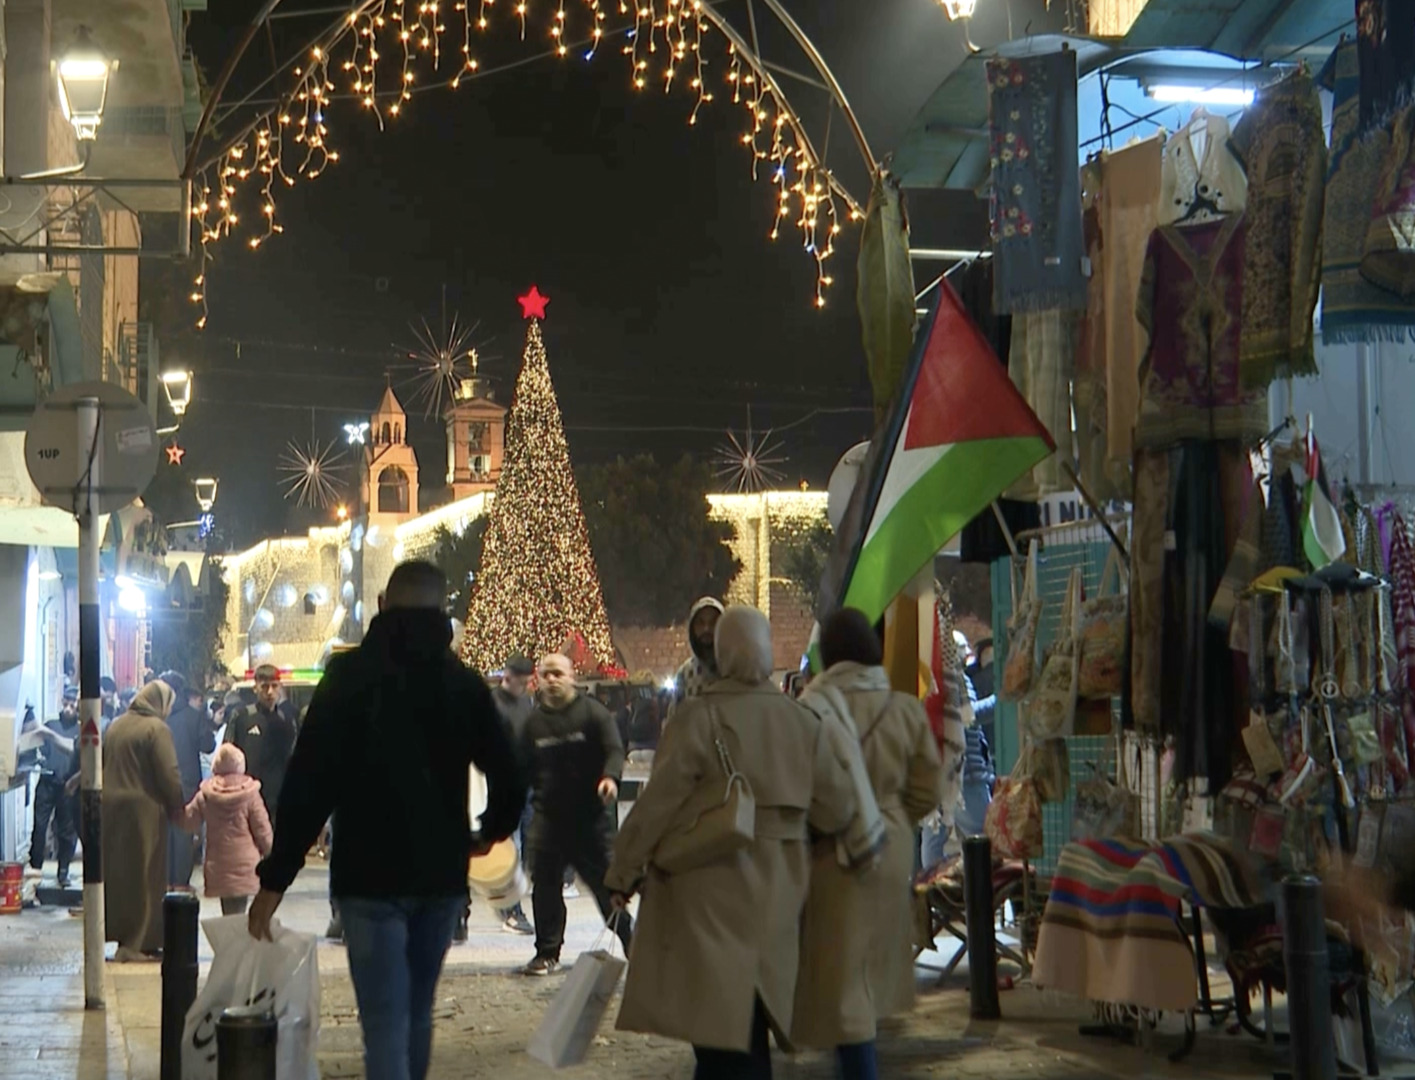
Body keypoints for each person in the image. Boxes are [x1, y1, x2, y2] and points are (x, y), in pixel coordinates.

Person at [249, 561, 524, 1080]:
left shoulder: (349, 678)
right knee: (418, 1014)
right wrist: (487, 833)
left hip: (368, 877)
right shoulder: (463, 685)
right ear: (442, 612)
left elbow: (309, 783)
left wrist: (276, 879)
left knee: (383, 1020)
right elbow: (509, 773)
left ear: (381, 605)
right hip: (440, 875)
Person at [605, 605, 859, 1077]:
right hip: (781, 894)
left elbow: (656, 806)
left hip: (708, 894)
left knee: (724, 1035)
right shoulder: (803, 722)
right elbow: (840, 810)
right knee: (755, 1024)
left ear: (719, 653)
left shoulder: (697, 719)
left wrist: (624, 871)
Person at [792, 609, 944, 1079]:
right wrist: (894, 817)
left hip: (832, 850)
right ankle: (859, 1059)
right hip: (892, 845)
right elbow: (928, 790)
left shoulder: (810, 707)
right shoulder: (903, 707)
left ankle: (858, 1066)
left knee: (842, 974)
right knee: (868, 966)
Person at [518, 652, 633, 975]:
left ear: (572, 677)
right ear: (538, 680)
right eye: (546, 674)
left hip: (590, 820)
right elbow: (521, 769)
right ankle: (547, 952)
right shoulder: (533, 724)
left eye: (558, 673)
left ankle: (632, 940)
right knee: (545, 885)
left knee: (607, 887)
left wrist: (610, 778)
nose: (552, 680)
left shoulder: (593, 714)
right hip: (548, 819)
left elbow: (614, 749)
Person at [104, 680, 186, 961]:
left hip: (111, 808)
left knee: (120, 876)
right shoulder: (157, 729)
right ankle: (139, 943)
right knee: (146, 876)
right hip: (144, 810)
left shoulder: (115, 725)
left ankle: (124, 938)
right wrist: (178, 804)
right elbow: (169, 772)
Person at [181, 743, 272, 916]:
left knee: (228, 913)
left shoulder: (206, 794)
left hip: (218, 864)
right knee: (239, 912)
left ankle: (230, 938)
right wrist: (271, 854)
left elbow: (188, 821)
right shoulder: (250, 793)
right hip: (245, 864)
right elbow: (262, 829)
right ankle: (236, 939)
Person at [488, 655, 536, 937]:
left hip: (527, 783)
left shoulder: (526, 702)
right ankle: (511, 911)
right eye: (524, 681)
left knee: (527, 846)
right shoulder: (493, 704)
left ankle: (510, 905)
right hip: (504, 785)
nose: (526, 686)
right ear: (511, 677)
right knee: (512, 848)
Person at [224, 664, 300, 823]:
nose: (270, 692)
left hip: (278, 801)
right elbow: (226, 756)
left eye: (274, 686)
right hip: (246, 799)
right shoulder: (241, 717)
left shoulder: (287, 720)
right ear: (255, 688)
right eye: (265, 686)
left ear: (280, 687)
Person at [162, 673, 216, 888]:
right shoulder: (194, 717)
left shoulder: (158, 716)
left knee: (164, 835)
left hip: (160, 783)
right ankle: (181, 883)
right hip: (187, 784)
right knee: (183, 834)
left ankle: (165, 882)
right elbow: (208, 745)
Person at [28, 692, 80, 888]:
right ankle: (35, 871)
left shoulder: (81, 730)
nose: (68, 708)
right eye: (65, 703)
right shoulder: (50, 725)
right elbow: (37, 745)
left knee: (67, 830)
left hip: (68, 786)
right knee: (40, 827)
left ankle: (63, 872)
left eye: (72, 705)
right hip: (48, 782)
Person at [667, 596, 724, 717]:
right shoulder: (685, 673)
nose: (706, 629)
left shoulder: (733, 669)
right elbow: (674, 719)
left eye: (713, 623)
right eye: (701, 623)